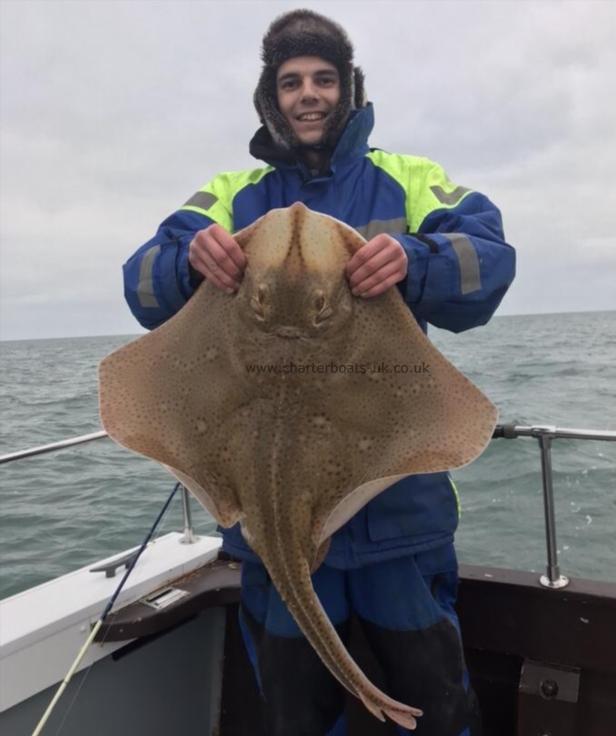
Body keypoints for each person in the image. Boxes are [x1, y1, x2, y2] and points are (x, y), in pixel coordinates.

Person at [123, 9, 515, 735]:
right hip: (267, 520)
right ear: (272, 97)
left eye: (324, 79)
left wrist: (415, 262)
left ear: (349, 89)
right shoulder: (229, 195)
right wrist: (186, 262)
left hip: (398, 506)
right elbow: (141, 285)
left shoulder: (409, 179)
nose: (309, 93)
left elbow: (490, 263)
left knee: (437, 699)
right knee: (298, 711)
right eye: (292, 81)